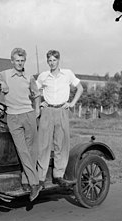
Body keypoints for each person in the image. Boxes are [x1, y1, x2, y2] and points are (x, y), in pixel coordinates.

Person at [0, 48, 41, 202]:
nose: (20, 63)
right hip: (13, 117)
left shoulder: (29, 77)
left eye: (22, 61)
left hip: (29, 116)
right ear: (12, 61)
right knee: (22, 150)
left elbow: (36, 95)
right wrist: (0, 82)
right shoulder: (5, 75)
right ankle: (35, 183)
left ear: (24, 61)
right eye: (17, 60)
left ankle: (25, 181)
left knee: (32, 151)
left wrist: (36, 111)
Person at [36, 50, 83, 187]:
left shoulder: (67, 74)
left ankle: (58, 175)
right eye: (49, 60)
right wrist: (40, 104)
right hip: (47, 111)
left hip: (62, 110)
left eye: (54, 60)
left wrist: (72, 103)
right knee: (43, 145)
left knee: (60, 144)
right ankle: (40, 178)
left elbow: (80, 88)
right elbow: (34, 91)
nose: (52, 63)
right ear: (47, 62)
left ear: (58, 60)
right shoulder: (43, 76)